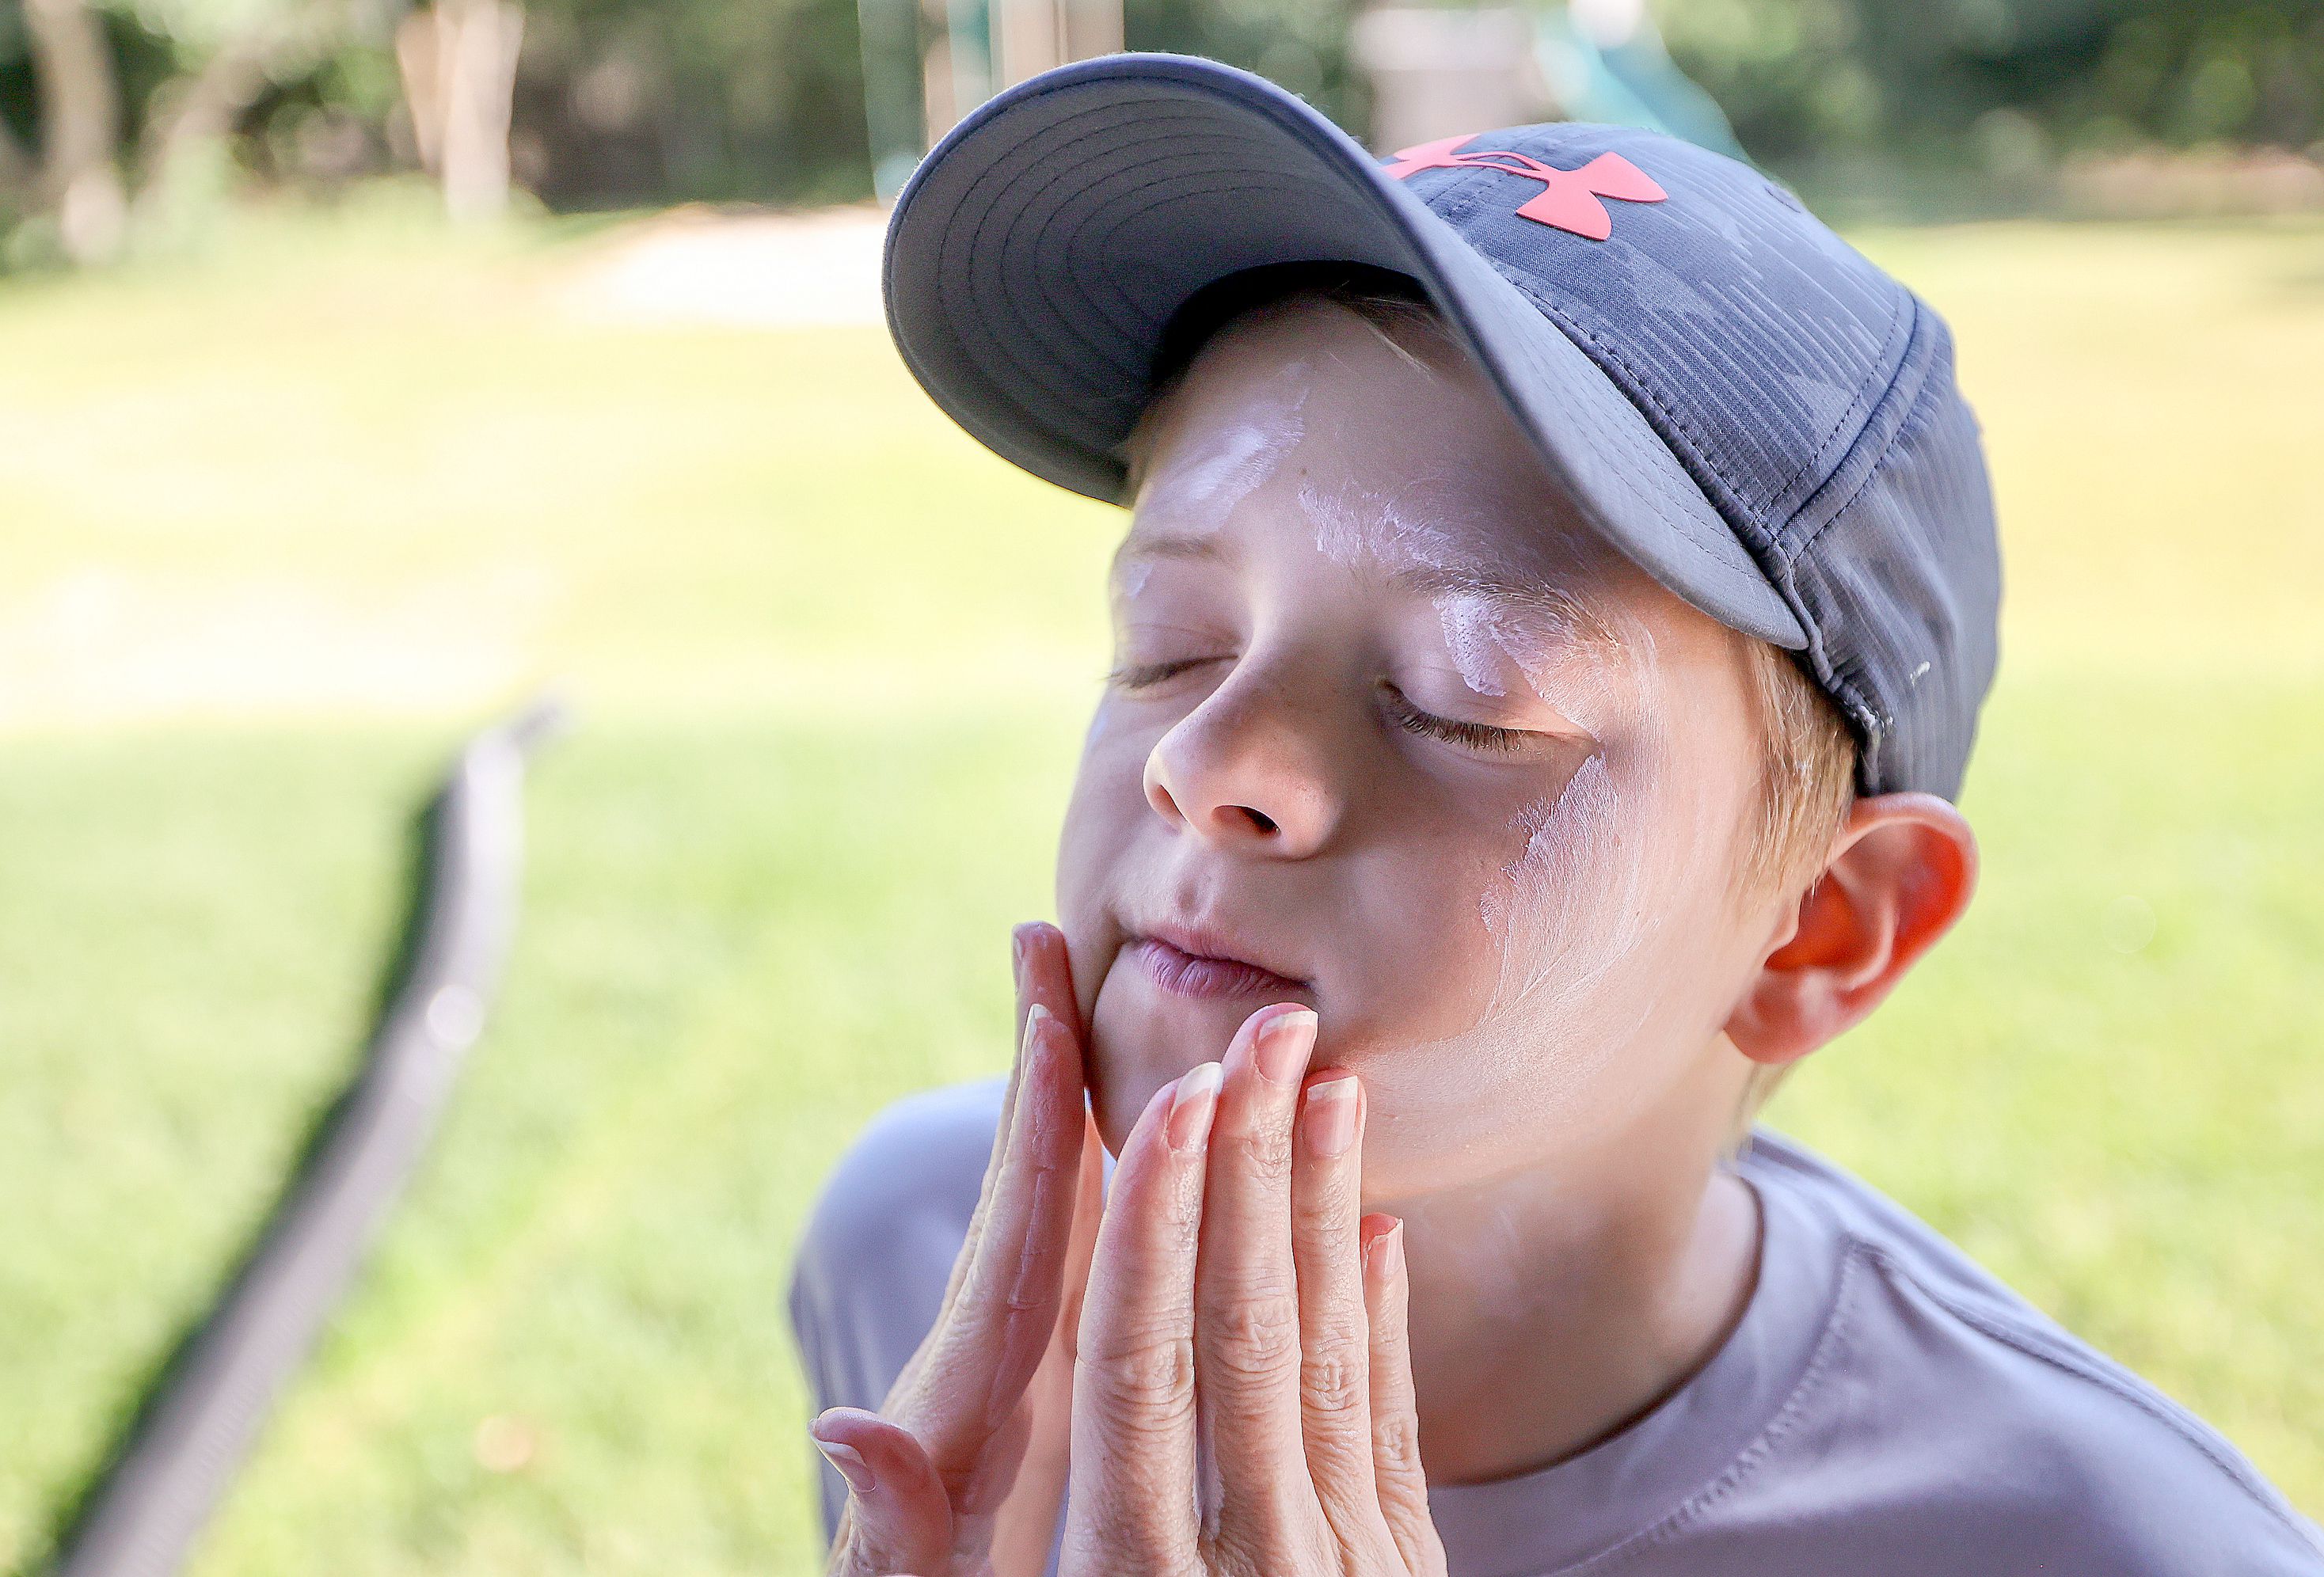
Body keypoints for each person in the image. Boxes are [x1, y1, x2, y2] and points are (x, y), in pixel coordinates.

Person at [788, 54, 2324, 1577]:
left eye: (1469, 696)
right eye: (1170, 644)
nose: (1211, 755)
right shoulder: (924, 1267)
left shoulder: (2107, 1550)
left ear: (1820, 929)